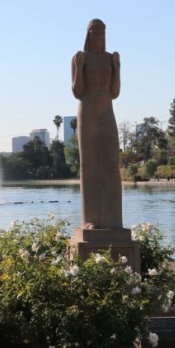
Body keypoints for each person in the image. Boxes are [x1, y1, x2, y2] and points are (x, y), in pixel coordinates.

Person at [71, 19, 123, 230]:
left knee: (111, 165)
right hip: (88, 112)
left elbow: (115, 92)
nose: (99, 36)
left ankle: (113, 219)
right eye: (95, 32)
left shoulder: (111, 58)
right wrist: (80, 67)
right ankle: (89, 219)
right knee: (90, 166)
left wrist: (117, 68)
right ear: (88, 34)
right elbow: (77, 91)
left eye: (102, 32)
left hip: (107, 111)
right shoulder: (79, 57)